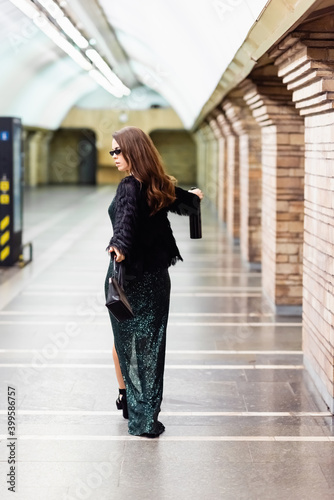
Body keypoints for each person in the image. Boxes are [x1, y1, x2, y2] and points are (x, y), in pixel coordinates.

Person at [104, 126, 203, 438]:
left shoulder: (129, 186)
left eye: (118, 151)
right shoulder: (157, 185)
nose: (114, 157)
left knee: (127, 342)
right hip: (156, 279)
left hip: (126, 279)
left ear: (135, 151)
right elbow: (182, 205)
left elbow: (125, 220)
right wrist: (193, 197)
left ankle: (139, 413)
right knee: (150, 345)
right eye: (111, 152)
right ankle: (137, 404)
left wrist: (119, 246)